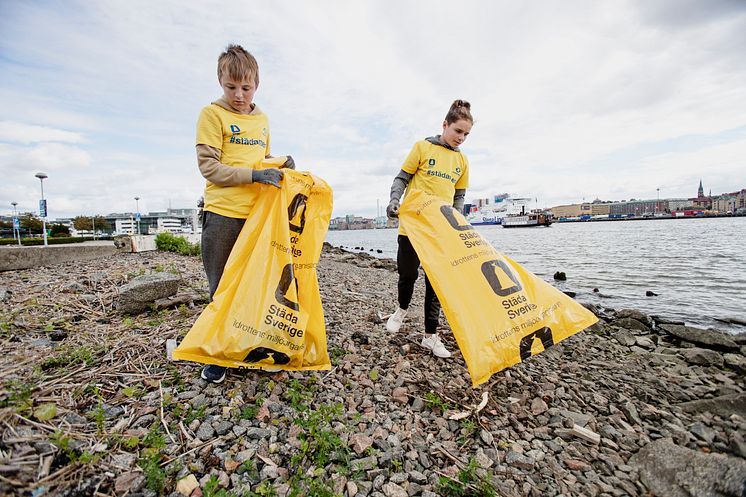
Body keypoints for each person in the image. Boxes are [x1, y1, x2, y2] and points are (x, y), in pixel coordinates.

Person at [196, 44, 294, 383]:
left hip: (257, 217)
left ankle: (254, 342)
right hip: (223, 214)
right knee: (221, 285)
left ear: (257, 84)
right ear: (221, 82)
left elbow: (262, 161)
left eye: (246, 87)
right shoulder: (212, 115)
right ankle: (220, 353)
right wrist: (254, 175)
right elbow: (209, 167)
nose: (239, 95)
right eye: (231, 87)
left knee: (257, 282)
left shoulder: (263, 120)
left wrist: (280, 164)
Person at [385, 100, 473, 358]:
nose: (462, 138)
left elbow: (459, 195)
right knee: (408, 275)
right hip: (412, 226)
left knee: (436, 284)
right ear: (445, 125)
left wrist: (457, 218)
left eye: (466, 134)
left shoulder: (463, 161)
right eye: (458, 131)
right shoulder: (422, 148)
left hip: (440, 231)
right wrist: (393, 200)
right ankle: (401, 310)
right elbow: (401, 178)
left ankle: (430, 336)